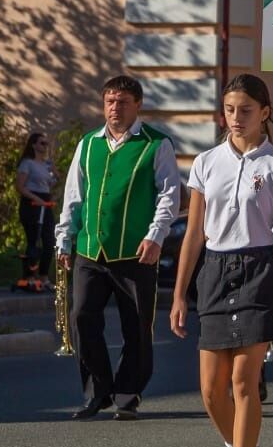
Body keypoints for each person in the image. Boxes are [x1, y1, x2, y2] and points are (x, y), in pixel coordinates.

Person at [170, 74, 273, 447]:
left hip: (259, 270)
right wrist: (180, 293)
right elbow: (193, 235)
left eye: (246, 110)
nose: (236, 119)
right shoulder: (206, 162)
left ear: (264, 112)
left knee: (245, 383)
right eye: (229, 110)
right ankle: (239, 445)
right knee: (210, 390)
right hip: (215, 271)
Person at [55, 75, 181, 421]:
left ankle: (128, 391)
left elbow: (169, 196)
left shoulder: (156, 144)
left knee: (136, 325)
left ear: (137, 105)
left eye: (123, 101)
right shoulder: (89, 144)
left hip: (135, 252)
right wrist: (65, 239)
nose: (115, 108)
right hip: (90, 250)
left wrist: (156, 236)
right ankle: (97, 390)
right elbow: (74, 196)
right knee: (81, 317)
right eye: (110, 101)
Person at [13, 133, 59, 293]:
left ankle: (44, 276)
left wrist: (54, 171)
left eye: (46, 143)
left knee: (49, 240)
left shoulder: (46, 164)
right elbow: (20, 186)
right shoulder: (27, 163)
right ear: (33, 145)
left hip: (45, 202)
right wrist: (35, 198)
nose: (45, 146)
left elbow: (52, 183)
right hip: (31, 203)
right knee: (33, 240)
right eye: (42, 143)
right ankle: (30, 276)